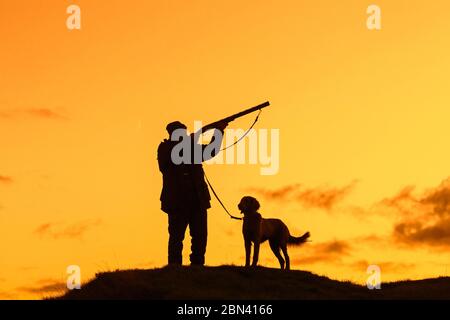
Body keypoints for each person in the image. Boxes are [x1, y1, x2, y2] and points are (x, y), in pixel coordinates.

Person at [157, 120, 228, 266]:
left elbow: (211, 151)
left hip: (198, 199)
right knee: (176, 237)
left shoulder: (191, 148)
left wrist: (219, 132)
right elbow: (173, 159)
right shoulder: (165, 148)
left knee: (200, 236)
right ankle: (175, 268)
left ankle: (197, 266)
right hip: (177, 201)